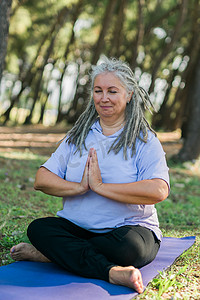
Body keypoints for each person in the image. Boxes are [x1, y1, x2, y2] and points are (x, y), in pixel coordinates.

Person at [10, 57, 169, 294]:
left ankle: (54, 255)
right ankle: (110, 272)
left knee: (131, 249)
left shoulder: (144, 139)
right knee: (39, 229)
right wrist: (81, 187)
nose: (104, 98)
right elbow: (41, 179)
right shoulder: (78, 136)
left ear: (129, 95)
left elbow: (158, 190)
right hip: (78, 226)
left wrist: (102, 187)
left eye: (112, 91)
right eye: (98, 90)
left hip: (127, 230)